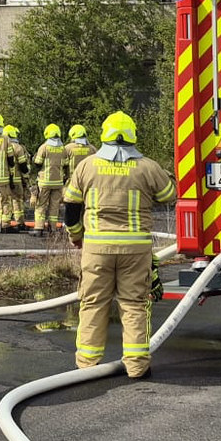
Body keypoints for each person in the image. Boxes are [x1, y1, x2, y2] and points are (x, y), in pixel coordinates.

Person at [63, 111, 176, 380]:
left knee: (92, 303)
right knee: (134, 304)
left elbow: (70, 206)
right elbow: (169, 195)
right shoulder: (148, 167)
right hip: (135, 251)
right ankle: (137, 366)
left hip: (97, 249)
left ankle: (87, 365)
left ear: (104, 134)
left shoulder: (87, 166)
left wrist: (76, 234)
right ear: (133, 135)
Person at [30, 124, 67, 236]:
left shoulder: (44, 147)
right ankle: (53, 229)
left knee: (41, 205)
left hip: (44, 182)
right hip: (58, 182)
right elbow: (65, 164)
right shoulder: (62, 148)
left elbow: (37, 163)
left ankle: (39, 228)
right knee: (54, 206)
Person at [2, 124, 29, 233]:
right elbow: (23, 166)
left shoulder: (1, 146)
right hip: (17, 180)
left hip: (3, 180)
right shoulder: (18, 147)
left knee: (4, 201)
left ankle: (4, 223)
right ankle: (20, 223)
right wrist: (26, 178)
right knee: (17, 201)